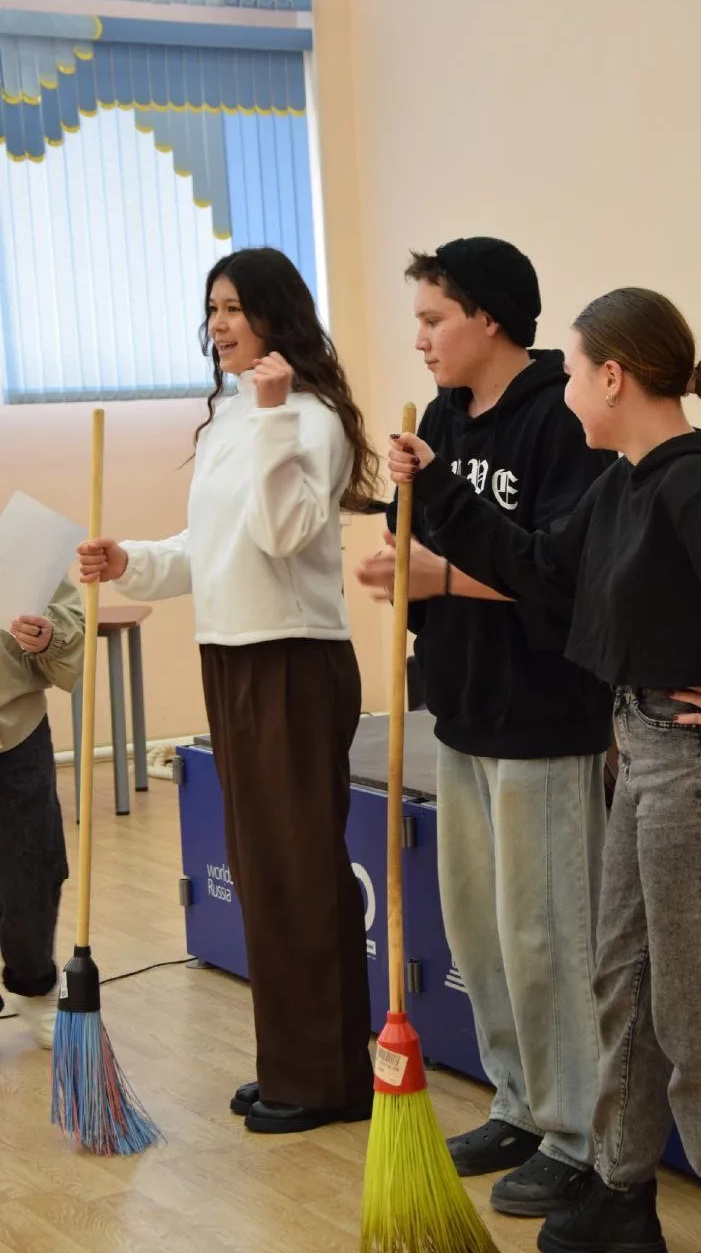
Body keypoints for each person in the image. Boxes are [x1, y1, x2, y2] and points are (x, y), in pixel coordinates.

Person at [385, 286, 701, 1253]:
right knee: (623, 980)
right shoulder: (625, 482)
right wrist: (440, 486)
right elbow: (541, 568)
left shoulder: (692, 486)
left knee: (700, 1011)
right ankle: (620, 1195)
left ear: (614, 377)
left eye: (576, 371)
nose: (566, 390)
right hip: (647, 757)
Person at [78, 246, 380, 1135]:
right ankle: (291, 1062)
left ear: (277, 316)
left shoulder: (309, 417)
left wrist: (275, 415)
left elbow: (283, 535)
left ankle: (328, 1080)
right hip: (233, 654)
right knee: (261, 870)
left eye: (235, 308)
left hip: (293, 658)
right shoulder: (229, 415)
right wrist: (129, 560)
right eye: (212, 308)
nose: (219, 325)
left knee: (298, 869)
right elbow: (208, 547)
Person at [357, 237, 615, 1217]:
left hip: (545, 714)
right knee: (481, 930)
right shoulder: (439, 418)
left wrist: (439, 575)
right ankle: (518, 1101)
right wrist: (400, 555)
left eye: (433, 319)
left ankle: (578, 1130)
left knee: (547, 934)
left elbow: (561, 579)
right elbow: (421, 543)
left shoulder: (560, 419)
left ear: (490, 318)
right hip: (461, 707)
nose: (419, 339)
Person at [0, 580, 84, 1048]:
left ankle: (33, 985)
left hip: (15, 726)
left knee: (32, 867)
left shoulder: (17, 549)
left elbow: (72, 627)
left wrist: (48, 637)